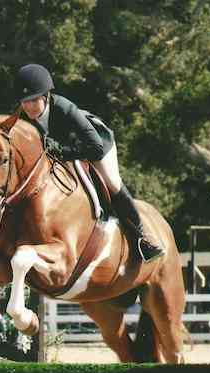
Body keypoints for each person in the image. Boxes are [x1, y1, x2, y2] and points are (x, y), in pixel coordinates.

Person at [15, 63, 165, 263]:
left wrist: (62, 151)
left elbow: (95, 148)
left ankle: (143, 239)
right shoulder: (22, 116)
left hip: (95, 144)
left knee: (112, 182)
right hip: (62, 152)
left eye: (33, 100)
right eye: (24, 101)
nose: (28, 106)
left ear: (46, 96)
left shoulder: (65, 109)